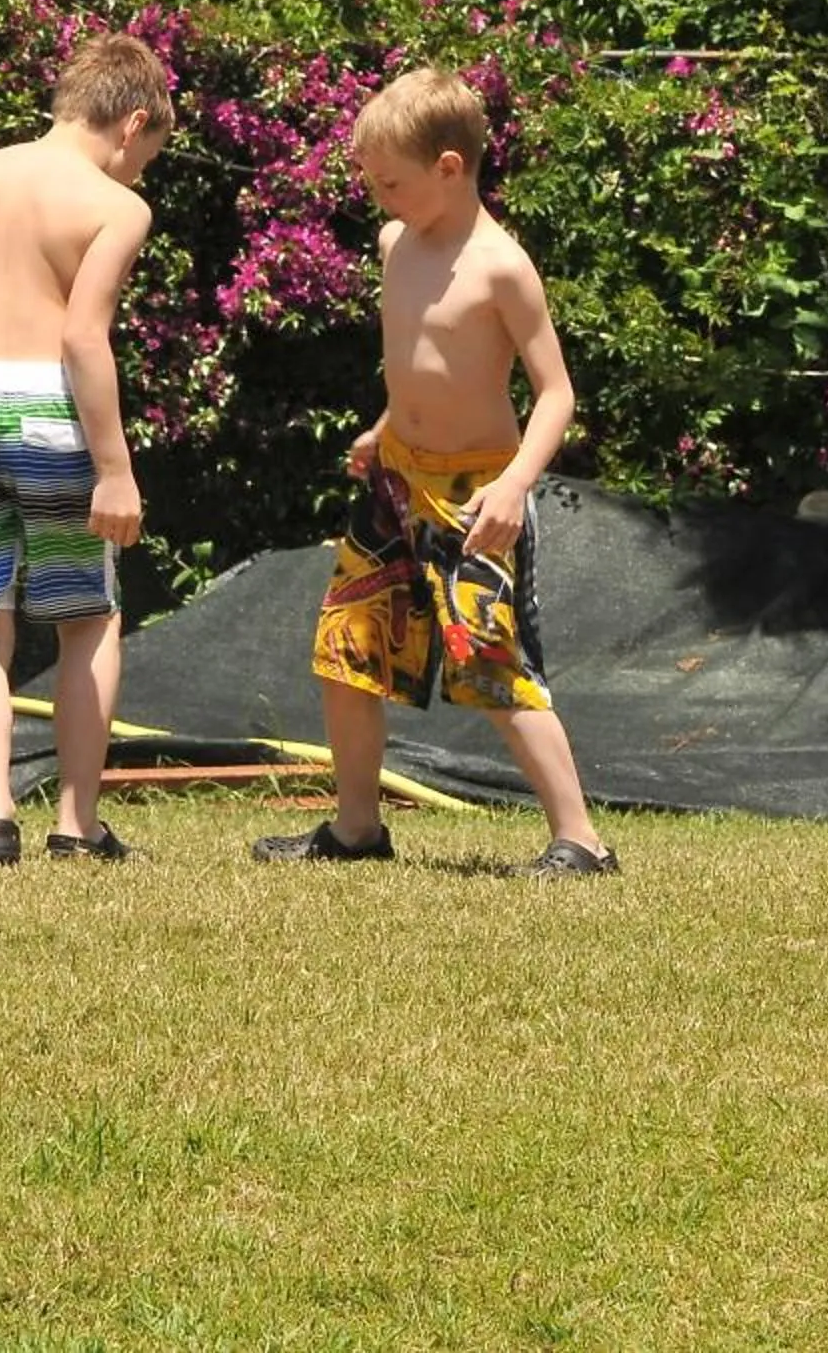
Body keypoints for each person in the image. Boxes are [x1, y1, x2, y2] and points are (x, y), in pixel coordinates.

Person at [253, 65, 619, 877]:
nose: (379, 199)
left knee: (489, 657)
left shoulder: (500, 267)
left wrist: (516, 485)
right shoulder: (396, 243)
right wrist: (383, 428)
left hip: (475, 491)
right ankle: (355, 828)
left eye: (391, 182)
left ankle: (582, 840)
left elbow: (556, 393)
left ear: (449, 168)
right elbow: (415, 363)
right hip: (394, 481)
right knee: (345, 650)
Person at [0, 33, 172, 867]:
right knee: (87, 620)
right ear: (132, 125)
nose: (139, 175)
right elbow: (84, 337)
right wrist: (115, 470)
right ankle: (76, 826)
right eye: (145, 157)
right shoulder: (116, 206)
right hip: (50, 406)